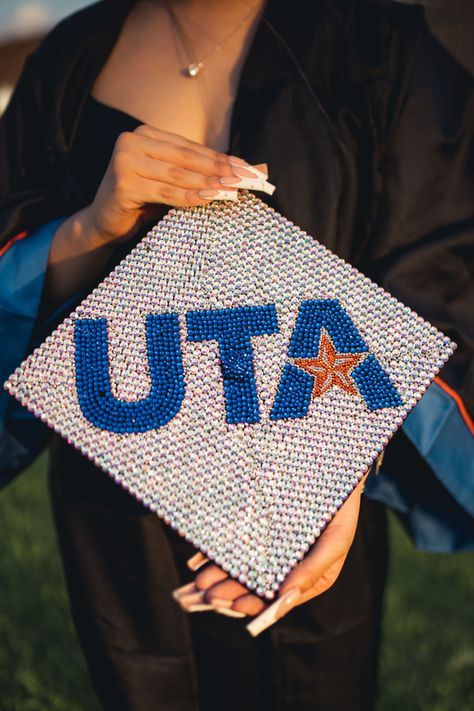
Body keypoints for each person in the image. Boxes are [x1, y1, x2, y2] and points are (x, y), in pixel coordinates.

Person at [0, 1, 472, 709]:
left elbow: (436, 267)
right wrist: (90, 228)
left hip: (309, 487)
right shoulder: (70, 57)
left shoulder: (376, 40)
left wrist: (341, 472)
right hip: (116, 491)